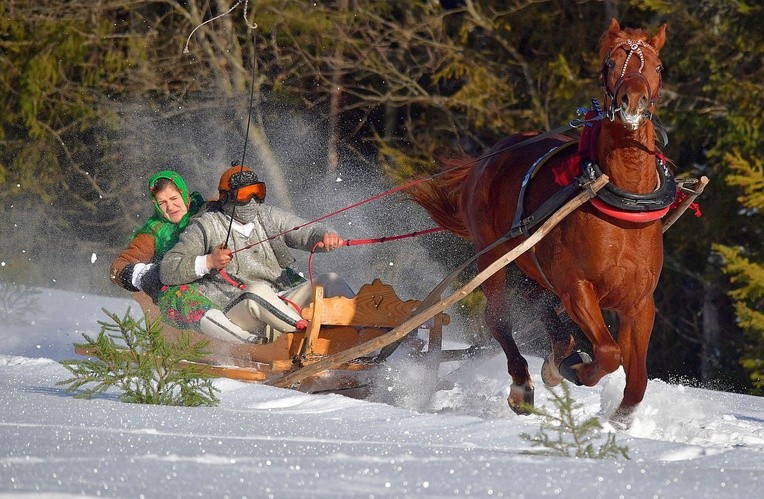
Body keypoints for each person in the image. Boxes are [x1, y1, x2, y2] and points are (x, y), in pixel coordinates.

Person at [160, 164, 352, 344]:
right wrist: (209, 261)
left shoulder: (267, 216)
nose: (252, 200)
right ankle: (314, 338)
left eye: (258, 192)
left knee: (330, 280)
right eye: (244, 194)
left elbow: (306, 231)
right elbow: (169, 268)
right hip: (236, 309)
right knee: (257, 291)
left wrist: (326, 235)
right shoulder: (206, 225)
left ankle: (361, 328)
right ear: (226, 197)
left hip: (279, 300)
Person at [110, 170, 247, 336]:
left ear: (185, 196)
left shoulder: (209, 211)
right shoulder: (153, 231)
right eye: (162, 203)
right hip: (187, 296)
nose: (170, 207)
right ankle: (229, 331)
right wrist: (148, 275)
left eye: (174, 198)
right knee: (182, 292)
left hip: (227, 282)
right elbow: (118, 268)